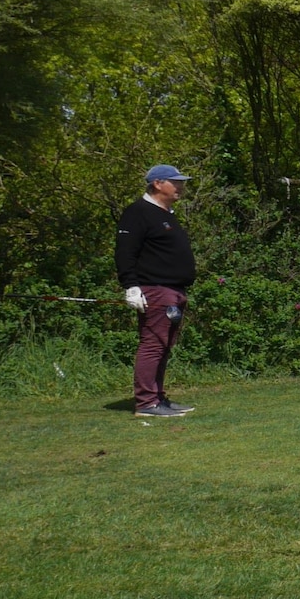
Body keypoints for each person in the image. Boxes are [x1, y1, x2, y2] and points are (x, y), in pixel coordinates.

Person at [115, 165, 197, 417]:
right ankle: (147, 402)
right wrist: (131, 286)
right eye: (176, 182)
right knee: (153, 344)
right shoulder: (138, 212)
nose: (181, 187)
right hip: (156, 289)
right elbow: (125, 251)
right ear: (158, 183)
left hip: (173, 289)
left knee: (164, 345)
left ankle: (157, 398)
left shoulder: (165, 213)